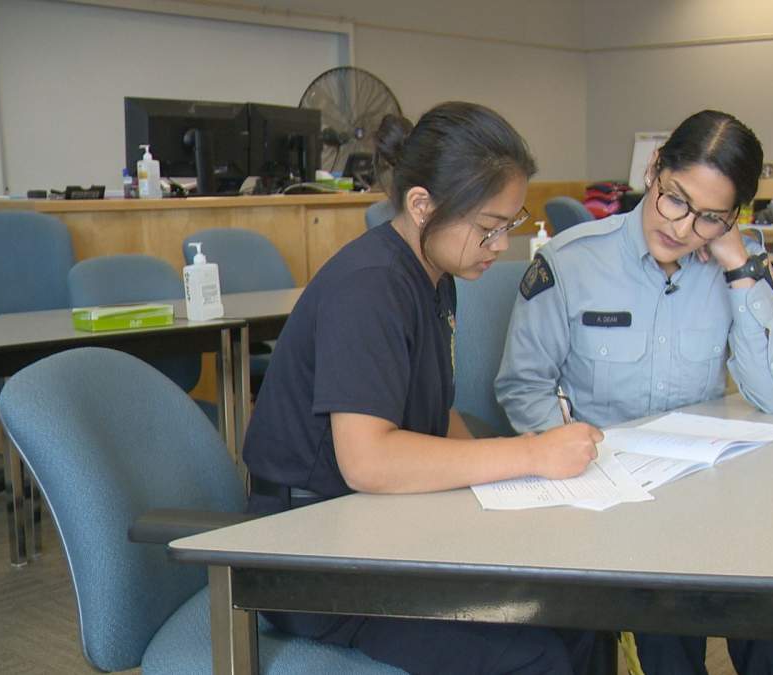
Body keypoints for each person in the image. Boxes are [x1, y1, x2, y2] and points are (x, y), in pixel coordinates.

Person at [242, 101, 603, 675]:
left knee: (580, 615)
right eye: (488, 229)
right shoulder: (370, 288)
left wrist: (520, 477)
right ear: (421, 205)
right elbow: (368, 460)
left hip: (380, 526)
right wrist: (528, 454)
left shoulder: (434, 275)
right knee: (535, 654)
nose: (500, 246)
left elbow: (433, 416)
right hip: (315, 554)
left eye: (509, 227)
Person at [495, 110, 773, 674]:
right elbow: (525, 385)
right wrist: (575, 461)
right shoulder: (569, 263)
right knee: (666, 638)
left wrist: (739, 266)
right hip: (612, 502)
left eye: (712, 218)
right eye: (675, 200)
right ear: (653, 169)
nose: (685, 229)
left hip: (711, 496)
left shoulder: (730, 263)